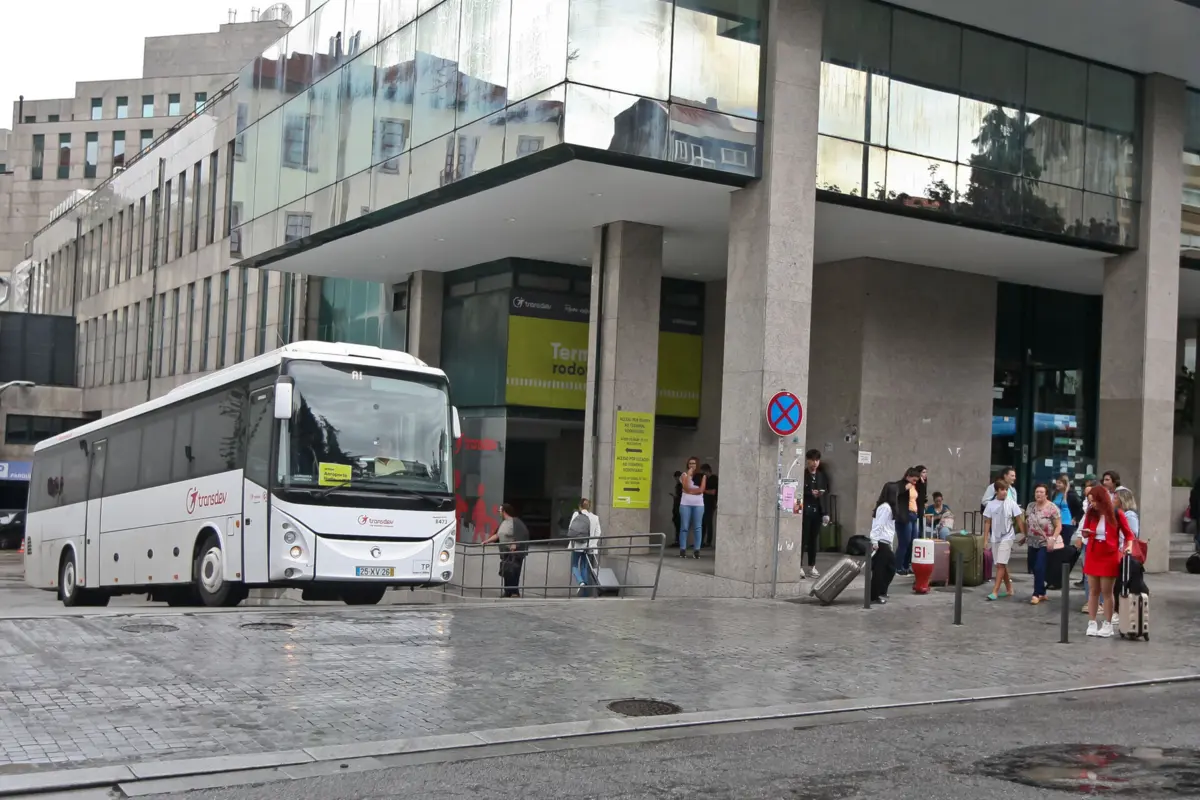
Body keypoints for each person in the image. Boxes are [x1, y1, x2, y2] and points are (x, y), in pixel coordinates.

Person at [1079, 485, 1133, 638]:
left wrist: (1128, 547)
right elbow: (1085, 530)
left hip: (1109, 554)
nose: (1092, 504)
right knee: (1093, 590)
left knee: (1107, 592)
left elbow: (1129, 535)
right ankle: (1092, 622)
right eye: (1090, 501)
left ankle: (1108, 624)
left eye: (1094, 501)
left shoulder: (1117, 513)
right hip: (1093, 552)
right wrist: (1086, 533)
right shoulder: (1091, 513)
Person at [983, 478, 1024, 601]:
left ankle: (995, 591)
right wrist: (985, 539)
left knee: (1000, 564)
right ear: (996, 491)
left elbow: (1019, 519)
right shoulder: (990, 505)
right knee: (1001, 563)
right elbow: (987, 522)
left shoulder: (1011, 503)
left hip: (1008, 536)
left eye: (1006, 489)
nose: (1004, 492)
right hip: (995, 537)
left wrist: (1024, 534)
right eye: (1002, 489)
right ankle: (1009, 589)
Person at [1111, 486, 1146, 623]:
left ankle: (1120, 611)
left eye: (1115, 498)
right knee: (1118, 582)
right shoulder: (1118, 513)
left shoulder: (1129, 515)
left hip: (1125, 553)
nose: (1113, 500)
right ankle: (1118, 610)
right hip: (1119, 551)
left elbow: (1131, 534)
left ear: (1122, 499)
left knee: (1123, 582)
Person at [482, 503, 530, 598]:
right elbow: (497, 535)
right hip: (505, 553)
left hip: (514, 553)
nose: (499, 512)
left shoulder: (515, 522)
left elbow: (523, 533)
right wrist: (487, 541)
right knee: (507, 571)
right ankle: (507, 591)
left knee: (514, 571)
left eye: (500, 510)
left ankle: (514, 592)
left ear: (504, 511)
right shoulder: (503, 523)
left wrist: (515, 543)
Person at [1024, 484, 1061, 605]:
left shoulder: (1052, 508)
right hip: (1032, 541)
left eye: (1041, 492)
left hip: (1045, 542)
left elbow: (1058, 526)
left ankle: (1036, 594)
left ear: (1046, 494)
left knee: (1039, 567)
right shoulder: (1030, 506)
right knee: (1033, 567)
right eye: (1036, 492)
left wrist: (1053, 538)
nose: (1038, 494)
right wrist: (1025, 535)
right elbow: (1027, 522)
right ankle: (1042, 591)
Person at [1047, 474, 1082, 590]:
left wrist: (1075, 518)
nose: (1057, 484)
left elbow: (1080, 509)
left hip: (1067, 524)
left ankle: (1059, 579)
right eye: (1057, 482)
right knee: (1054, 550)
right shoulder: (1055, 494)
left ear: (1065, 484)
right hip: (1056, 524)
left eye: (1060, 483)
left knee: (1062, 549)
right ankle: (1053, 578)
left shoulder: (1071, 495)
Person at [801, 450, 831, 579]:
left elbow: (826, 494)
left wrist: (826, 513)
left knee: (813, 540)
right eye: (812, 460)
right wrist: (809, 493)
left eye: (817, 460)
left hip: (817, 512)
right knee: (803, 539)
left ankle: (812, 566)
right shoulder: (802, 474)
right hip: (805, 511)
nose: (814, 463)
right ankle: (799, 566)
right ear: (807, 460)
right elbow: (798, 492)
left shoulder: (821, 476)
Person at [566, 498, 600, 596]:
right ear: (589, 507)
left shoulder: (576, 514)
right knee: (584, 567)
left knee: (574, 565)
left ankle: (581, 582)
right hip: (589, 546)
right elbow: (598, 533)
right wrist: (592, 544)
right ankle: (585, 594)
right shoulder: (595, 518)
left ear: (580, 506)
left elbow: (571, 529)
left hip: (577, 545)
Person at [869, 499, 896, 604]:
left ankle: (880, 592)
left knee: (888, 568)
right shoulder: (885, 507)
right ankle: (875, 595)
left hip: (885, 541)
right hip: (881, 541)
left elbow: (889, 528)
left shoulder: (889, 507)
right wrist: (874, 541)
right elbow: (879, 525)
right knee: (881, 570)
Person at [678, 457, 706, 559]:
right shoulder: (684, 475)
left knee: (698, 527)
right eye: (690, 463)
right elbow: (685, 487)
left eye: (694, 463)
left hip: (698, 504)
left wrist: (689, 492)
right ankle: (682, 549)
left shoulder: (702, 476)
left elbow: (701, 490)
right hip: (685, 504)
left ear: (697, 465)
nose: (692, 465)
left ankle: (697, 550)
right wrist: (689, 475)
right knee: (684, 527)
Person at [700, 464, 719, 549]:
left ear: (707, 471)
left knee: (708, 522)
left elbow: (713, 492)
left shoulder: (713, 479)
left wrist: (703, 490)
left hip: (710, 503)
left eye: (704, 472)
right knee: (703, 522)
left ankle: (708, 542)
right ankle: (701, 541)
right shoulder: (706, 479)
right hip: (704, 503)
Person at [671, 471, 682, 547]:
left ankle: (679, 541)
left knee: (679, 524)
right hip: (676, 506)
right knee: (677, 523)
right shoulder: (679, 485)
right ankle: (677, 540)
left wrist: (676, 496)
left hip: (680, 507)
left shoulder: (682, 485)